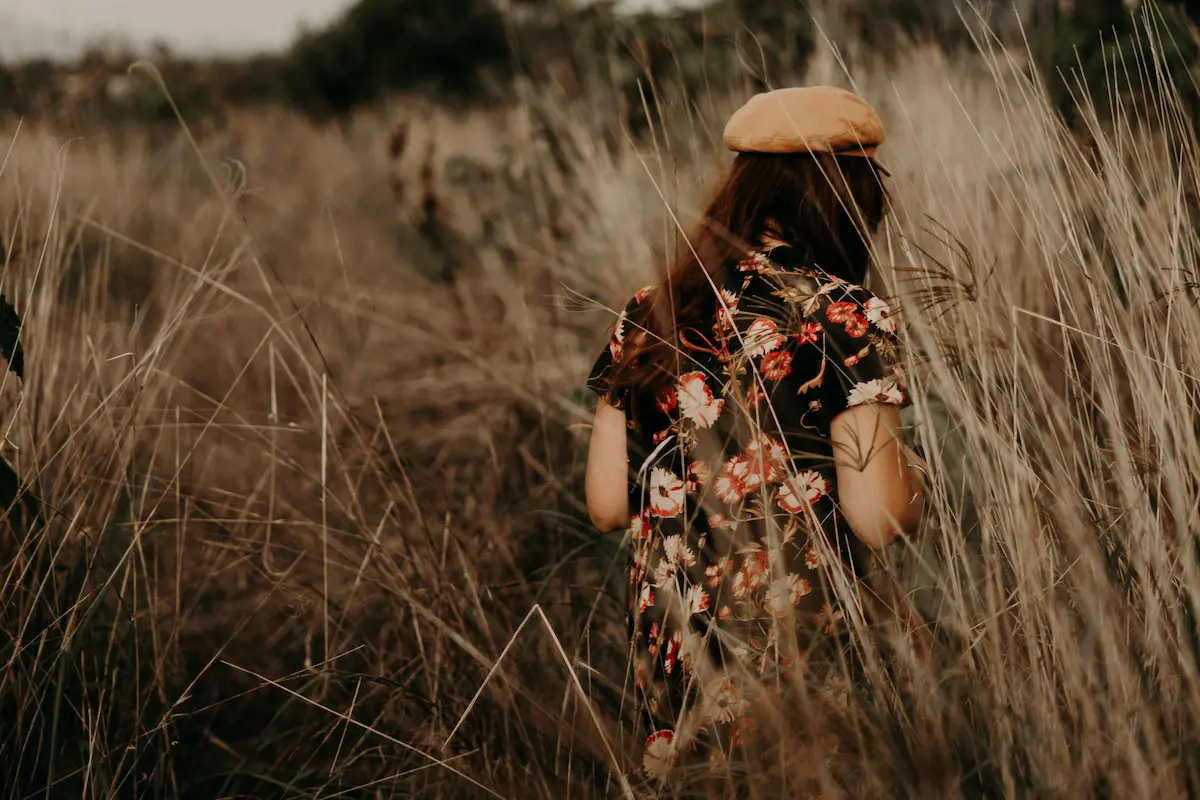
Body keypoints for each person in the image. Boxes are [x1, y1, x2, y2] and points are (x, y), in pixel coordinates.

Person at [583, 86, 926, 785]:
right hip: (796, 640)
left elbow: (608, 506)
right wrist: (916, 475)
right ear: (849, 196)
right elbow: (878, 516)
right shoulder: (843, 314)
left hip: (672, 643)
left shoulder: (651, 311)